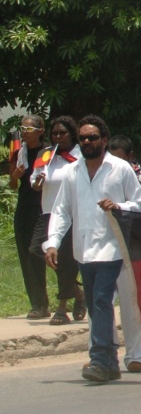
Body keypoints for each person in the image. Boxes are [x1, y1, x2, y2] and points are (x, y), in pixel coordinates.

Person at [43, 115, 141, 383]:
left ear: (104, 139)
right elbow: (62, 211)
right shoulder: (72, 171)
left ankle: (100, 358)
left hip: (113, 247)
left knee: (102, 299)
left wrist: (118, 206)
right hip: (84, 249)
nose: (87, 142)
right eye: (83, 138)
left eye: (92, 137)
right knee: (94, 304)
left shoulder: (120, 168)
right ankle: (110, 363)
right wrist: (53, 242)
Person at [103, 135, 141, 373]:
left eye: (119, 157)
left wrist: (120, 207)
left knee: (131, 303)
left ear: (130, 157)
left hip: (133, 247)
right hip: (102, 247)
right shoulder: (98, 174)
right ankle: (101, 354)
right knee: (100, 303)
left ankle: (136, 354)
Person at [30, 115, 84, 326]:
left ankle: (62, 308)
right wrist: (38, 182)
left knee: (67, 260)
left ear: (72, 134)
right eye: (55, 134)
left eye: (63, 133)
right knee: (35, 250)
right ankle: (78, 293)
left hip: (71, 214)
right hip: (48, 212)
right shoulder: (46, 154)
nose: (59, 137)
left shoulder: (81, 155)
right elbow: (34, 182)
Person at [9, 115, 49, 319]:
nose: (24, 132)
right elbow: (13, 185)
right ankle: (38, 304)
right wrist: (15, 177)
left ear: (41, 131)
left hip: (43, 208)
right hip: (24, 208)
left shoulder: (48, 153)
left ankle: (73, 294)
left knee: (37, 253)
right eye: (22, 128)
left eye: (29, 129)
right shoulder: (20, 152)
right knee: (26, 255)